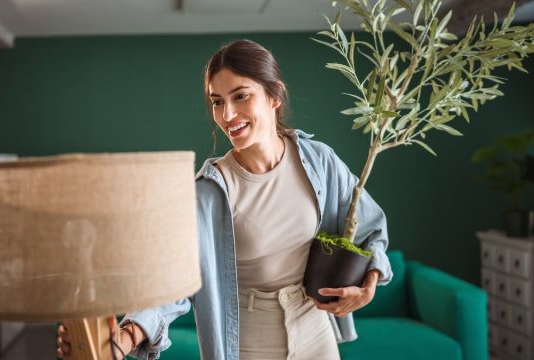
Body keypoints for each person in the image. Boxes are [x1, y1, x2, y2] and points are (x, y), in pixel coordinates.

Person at [58, 39, 392, 360]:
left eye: (241, 96)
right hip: (247, 342)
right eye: (217, 101)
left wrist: (370, 283)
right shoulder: (209, 190)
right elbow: (177, 277)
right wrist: (125, 337)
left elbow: (370, 225)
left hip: (316, 333)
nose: (227, 114)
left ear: (274, 96)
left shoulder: (320, 161)